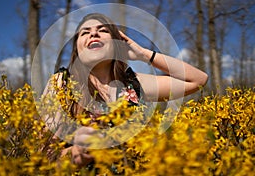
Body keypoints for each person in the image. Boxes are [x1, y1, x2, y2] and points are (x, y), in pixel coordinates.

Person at [42, 13, 208, 168]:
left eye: (103, 30)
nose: (93, 34)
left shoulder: (134, 84)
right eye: (85, 32)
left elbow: (198, 80)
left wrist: (143, 54)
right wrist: (74, 153)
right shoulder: (61, 83)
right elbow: (43, 154)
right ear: (77, 48)